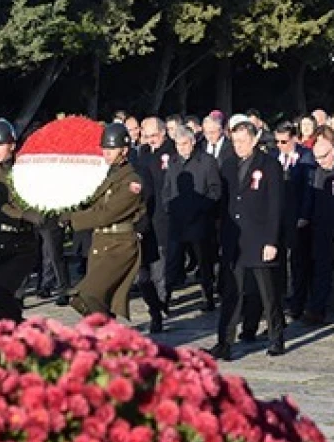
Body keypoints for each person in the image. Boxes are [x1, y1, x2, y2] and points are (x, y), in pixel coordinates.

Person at [208, 121, 285, 361]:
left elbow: (275, 206)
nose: (238, 146)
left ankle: (276, 337)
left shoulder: (269, 165)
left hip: (260, 237)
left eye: (242, 141)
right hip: (236, 239)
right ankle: (224, 342)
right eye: (235, 141)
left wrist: (271, 241)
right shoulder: (229, 164)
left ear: (254, 140)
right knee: (232, 292)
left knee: (267, 292)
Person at [62, 123, 146, 321]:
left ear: (124, 150)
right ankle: (107, 341)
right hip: (101, 242)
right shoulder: (108, 176)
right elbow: (93, 204)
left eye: (111, 149)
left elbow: (108, 213)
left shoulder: (132, 181)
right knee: (96, 303)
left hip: (119, 245)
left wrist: (73, 220)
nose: (106, 153)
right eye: (105, 148)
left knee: (87, 295)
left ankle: (110, 338)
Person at [0, 118, 41, 323]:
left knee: (4, 292)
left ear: (12, 146)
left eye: (0, 145)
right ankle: (16, 334)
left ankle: (18, 334)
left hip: (24, 241)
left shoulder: (27, 171)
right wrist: (21, 214)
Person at [162, 127, 222, 316]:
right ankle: (165, 298)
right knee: (172, 261)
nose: (181, 148)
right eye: (178, 145)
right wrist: (169, 207)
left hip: (199, 221)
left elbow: (215, 190)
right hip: (177, 221)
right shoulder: (173, 162)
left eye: (184, 144)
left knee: (204, 262)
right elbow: (167, 188)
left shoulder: (206, 161)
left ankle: (208, 296)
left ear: (193, 142)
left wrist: (200, 209)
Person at [306, 134, 334, 324]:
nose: (320, 161)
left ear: (333, 151)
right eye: (316, 158)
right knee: (321, 271)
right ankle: (318, 309)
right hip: (322, 229)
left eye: (323, 157)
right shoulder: (319, 172)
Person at [135, 117, 176, 326]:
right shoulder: (142, 154)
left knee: (160, 265)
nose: (150, 140)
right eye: (146, 136)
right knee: (144, 270)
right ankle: (154, 303)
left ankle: (161, 303)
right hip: (143, 217)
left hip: (162, 216)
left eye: (154, 136)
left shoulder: (171, 153)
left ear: (163, 133)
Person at [274, 121, 316, 319]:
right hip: (278, 218)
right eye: (277, 142)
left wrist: (304, 215)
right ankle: (280, 300)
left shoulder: (306, 157)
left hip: (297, 216)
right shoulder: (274, 157)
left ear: (293, 139)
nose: (280, 145)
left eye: (284, 141)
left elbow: (309, 189)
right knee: (280, 261)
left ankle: (297, 302)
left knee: (298, 262)